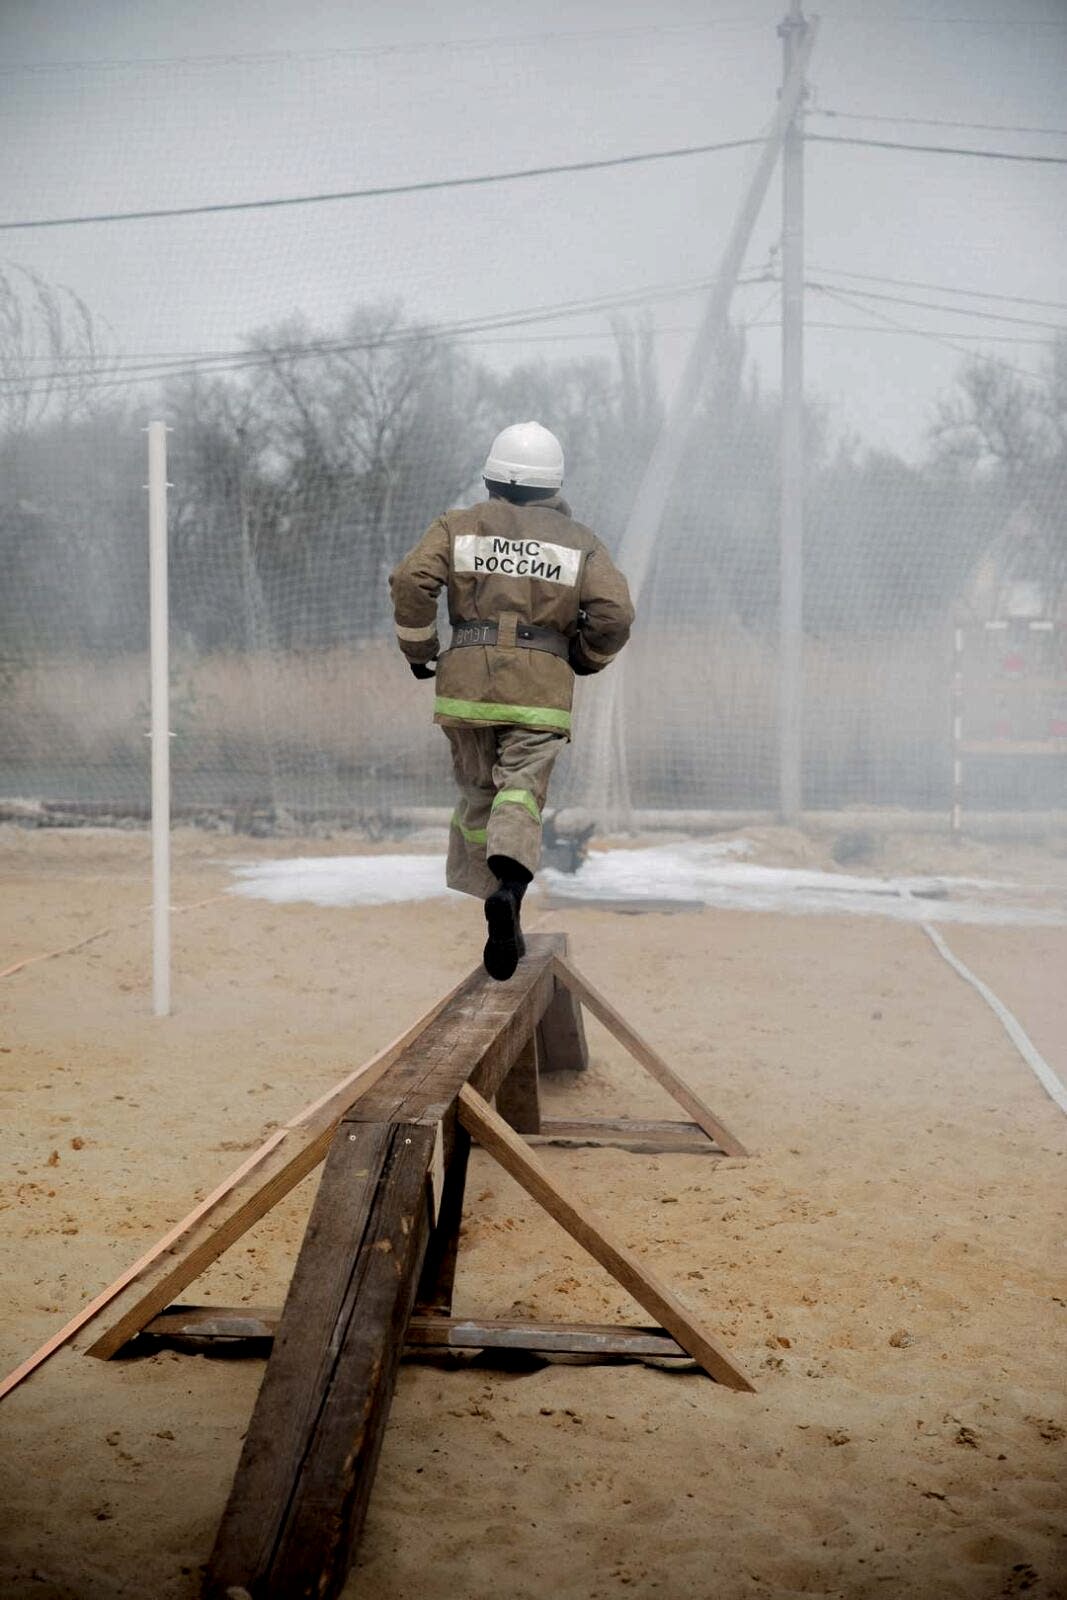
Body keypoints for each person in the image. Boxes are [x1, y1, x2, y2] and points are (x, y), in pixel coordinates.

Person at [389, 420, 633, 980]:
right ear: (554, 486)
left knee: (479, 796)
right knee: (519, 792)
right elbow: (615, 615)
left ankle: (500, 909)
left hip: (466, 688)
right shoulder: (580, 542)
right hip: (538, 694)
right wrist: (586, 657)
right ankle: (512, 886)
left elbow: (411, 581)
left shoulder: (457, 525)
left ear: (492, 478)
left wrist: (418, 649)